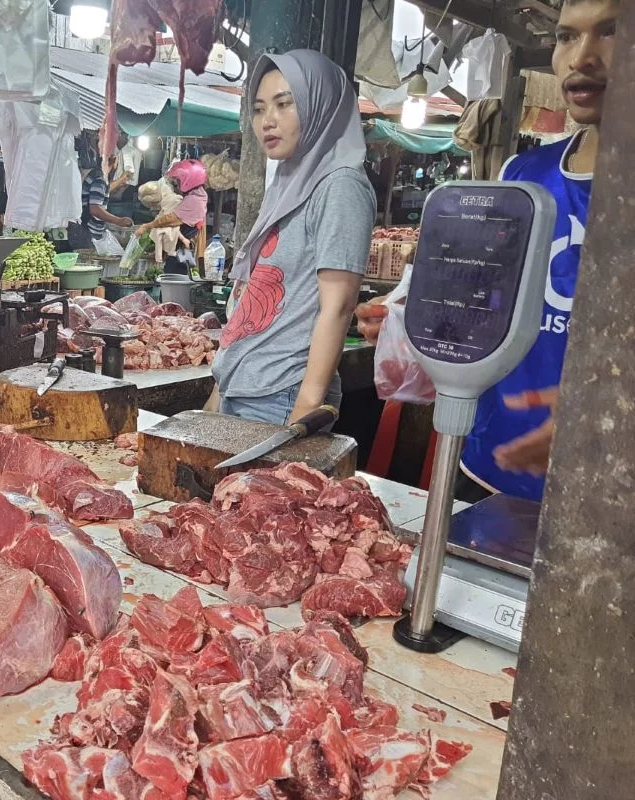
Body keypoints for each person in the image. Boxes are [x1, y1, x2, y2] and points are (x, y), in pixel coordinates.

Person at [356, 0, 616, 501]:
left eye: (612, 32)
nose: (582, 57)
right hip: (490, 461)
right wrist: (418, 320)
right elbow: (485, 302)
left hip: (605, 491)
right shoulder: (522, 176)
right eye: (566, 36)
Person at [209, 50, 375, 426]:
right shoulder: (289, 180)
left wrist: (304, 410)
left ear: (320, 106)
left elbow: (338, 305)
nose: (268, 121)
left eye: (284, 105)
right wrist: (221, 386)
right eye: (259, 108)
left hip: (282, 395)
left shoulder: (340, 185)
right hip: (245, 387)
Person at [135, 159, 210, 275]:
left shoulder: (194, 201)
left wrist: (148, 226)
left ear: (188, 180)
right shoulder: (195, 196)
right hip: (182, 251)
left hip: (184, 254)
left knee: (175, 280)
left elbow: (170, 219)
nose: (177, 184)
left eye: (179, 180)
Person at [82, 153, 134, 246]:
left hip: (87, 230)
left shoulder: (98, 175)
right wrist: (118, 221)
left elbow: (102, 192)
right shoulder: (100, 179)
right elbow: (95, 209)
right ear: (114, 160)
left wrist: (121, 181)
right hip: (87, 231)